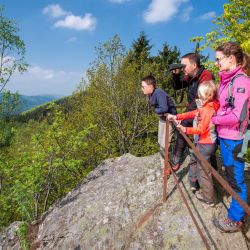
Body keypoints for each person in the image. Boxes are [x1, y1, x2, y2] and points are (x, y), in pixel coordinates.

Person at [212, 41, 250, 233]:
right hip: (226, 136)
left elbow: (238, 116)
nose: (216, 63)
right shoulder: (226, 80)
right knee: (231, 174)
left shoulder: (241, 81)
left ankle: (236, 219)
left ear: (230, 58)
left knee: (236, 179)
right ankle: (237, 211)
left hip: (236, 138)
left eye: (218, 59)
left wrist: (215, 119)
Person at [168, 81, 219, 206]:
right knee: (196, 161)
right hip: (205, 143)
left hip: (206, 144)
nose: (198, 96)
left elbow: (201, 129)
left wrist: (185, 130)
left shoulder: (208, 110)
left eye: (200, 94)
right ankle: (195, 183)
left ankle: (209, 198)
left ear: (206, 95)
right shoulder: (208, 106)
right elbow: (193, 113)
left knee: (203, 171)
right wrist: (178, 116)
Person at [170, 53, 214, 171]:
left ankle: (176, 159)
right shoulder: (190, 76)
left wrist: (184, 116)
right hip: (194, 110)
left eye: (184, 65)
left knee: (184, 126)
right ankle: (178, 158)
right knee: (183, 126)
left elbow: (203, 99)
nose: (182, 67)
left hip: (204, 113)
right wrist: (176, 75)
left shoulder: (206, 76)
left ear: (194, 65)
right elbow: (177, 86)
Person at [141, 75, 177, 175]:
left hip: (169, 120)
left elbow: (164, 108)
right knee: (160, 143)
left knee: (165, 145)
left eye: (143, 86)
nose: (142, 88)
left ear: (151, 86)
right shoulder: (151, 94)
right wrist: (158, 112)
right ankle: (165, 166)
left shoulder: (159, 93)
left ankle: (169, 167)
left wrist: (157, 111)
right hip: (162, 119)